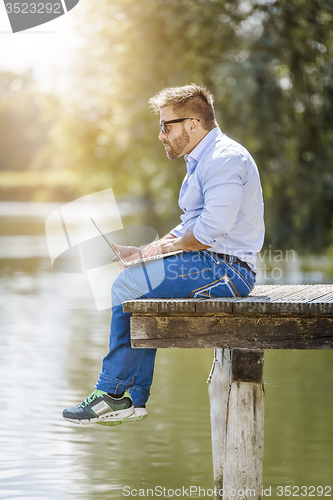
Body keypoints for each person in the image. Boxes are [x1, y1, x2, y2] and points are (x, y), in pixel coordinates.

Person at [63, 84, 265, 426]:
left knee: (129, 285)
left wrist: (160, 250)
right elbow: (191, 223)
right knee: (135, 283)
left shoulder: (225, 159)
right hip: (214, 264)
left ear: (192, 124)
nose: (161, 135)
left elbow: (208, 231)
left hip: (229, 271)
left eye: (166, 126)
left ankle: (113, 394)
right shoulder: (202, 159)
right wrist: (145, 252)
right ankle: (131, 398)